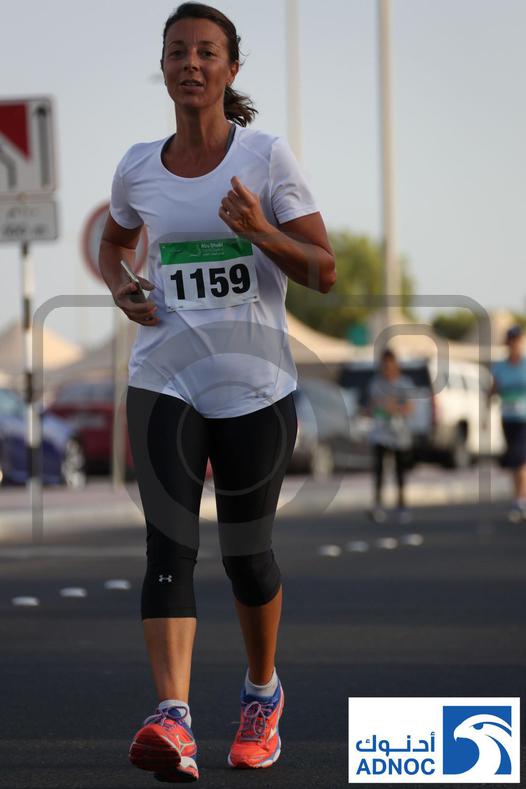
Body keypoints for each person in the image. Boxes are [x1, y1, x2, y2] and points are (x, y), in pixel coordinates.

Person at [99, 2, 336, 782]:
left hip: (254, 387)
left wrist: (260, 229)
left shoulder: (266, 156)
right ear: (163, 67)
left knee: (247, 557)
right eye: (178, 51)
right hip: (163, 377)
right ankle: (173, 717)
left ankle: (262, 693)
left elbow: (324, 270)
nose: (190, 64)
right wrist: (121, 283)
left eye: (206, 52)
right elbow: (115, 239)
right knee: (168, 546)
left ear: (231, 69)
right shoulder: (138, 166)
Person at [367, 348, 414, 524]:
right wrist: (381, 407)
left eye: (390, 364)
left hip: (399, 434)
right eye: (384, 365)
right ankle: (378, 505)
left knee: (400, 471)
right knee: (379, 470)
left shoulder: (404, 383)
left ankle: (402, 505)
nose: (387, 368)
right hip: (380, 433)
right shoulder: (376, 383)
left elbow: (409, 407)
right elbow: (372, 406)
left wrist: (393, 407)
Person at [490, 325, 526, 523]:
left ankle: (520, 500)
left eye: (517, 340)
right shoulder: (500, 367)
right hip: (508, 418)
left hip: (524, 420)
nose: (514, 344)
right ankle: (519, 499)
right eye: (511, 340)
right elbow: (493, 390)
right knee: (514, 460)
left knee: (520, 458)